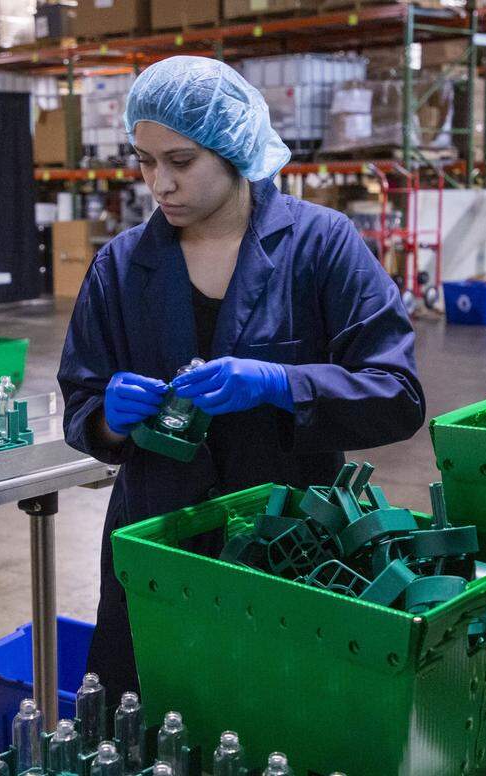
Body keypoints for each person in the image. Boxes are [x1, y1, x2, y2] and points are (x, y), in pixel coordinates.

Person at [57, 55, 425, 695]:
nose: (159, 185)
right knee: (150, 717)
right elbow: (81, 401)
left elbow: (399, 395)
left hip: (289, 544)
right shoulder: (121, 267)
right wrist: (108, 420)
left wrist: (283, 384)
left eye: (180, 161)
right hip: (156, 543)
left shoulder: (321, 246)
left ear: (234, 147)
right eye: (145, 162)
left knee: (278, 716)